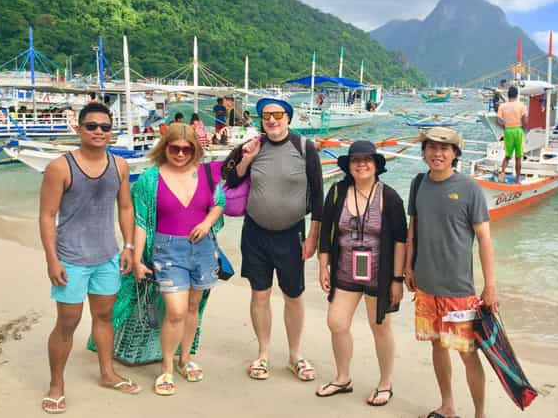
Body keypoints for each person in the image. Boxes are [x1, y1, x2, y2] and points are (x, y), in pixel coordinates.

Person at [39, 103, 140, 414]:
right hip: (71, 258)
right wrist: (52, 260)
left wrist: (129, 247)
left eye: (105, 127)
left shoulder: (119, 165)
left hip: (107, 256)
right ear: (79, 129)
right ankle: (57, 384)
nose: (99, 131)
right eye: (92, 126)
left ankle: (107, 374)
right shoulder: (60, 167)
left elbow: (125, 207)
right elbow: (47, 215)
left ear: (112, 131)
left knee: (104, 317)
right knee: (68, 322)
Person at [224, 97, 323, 382]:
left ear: (289, 118)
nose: (272, 120)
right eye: (266, 115)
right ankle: (263, 354)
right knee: (260, 293)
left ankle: (295, 355)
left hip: (292, 233)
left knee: (293, 295)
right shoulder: (253, 146)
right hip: (255, 232)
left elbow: (318, 196)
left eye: (278, 114)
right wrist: (248, 157)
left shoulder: (304, 147)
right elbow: (230, 180)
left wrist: (313, 237)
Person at [404, 126, 499, 418]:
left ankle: (479, 414)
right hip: (425, 285)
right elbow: (413, 228)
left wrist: (490, 286)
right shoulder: (418, 183)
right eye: (431, 147)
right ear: (424, 153)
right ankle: (447, 406)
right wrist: (408, 266)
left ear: (455, 154)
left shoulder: (469, 188)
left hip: (458, 289)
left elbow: (484, 238)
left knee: (467, 353)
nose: (437, 153)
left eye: (445, 149)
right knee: (437, 345)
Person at [131, 122, 225, 396]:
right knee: (175, 311)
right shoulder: (151, 178)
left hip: (203, 249)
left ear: (195, 149)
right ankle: (167, 368)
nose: (181, 153)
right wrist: (137, 259)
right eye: (175, 148)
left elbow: (219, 203)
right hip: (167, 251)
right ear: (165, 147)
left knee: (193, 308)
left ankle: (185, 358)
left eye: (187, 149)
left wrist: (207, 223)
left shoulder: (206, 175)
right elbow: (140, 221)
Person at [316, 141, 408, 406]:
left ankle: (385, 383)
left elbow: (401, 241)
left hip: (380, 275)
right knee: (336, 323)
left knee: (380, 326)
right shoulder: (338, 191)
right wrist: (323, 266)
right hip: (345, 272)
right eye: (356, 160)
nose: (362, 164)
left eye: (368, 160)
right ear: (349, 166)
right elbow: (326, 233)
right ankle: (343, 378)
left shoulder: (389, 196)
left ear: (376, 165)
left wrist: (397, 280)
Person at [496, 86, 528, 184]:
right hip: (518, 130)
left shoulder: (502, 106)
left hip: (508, 131)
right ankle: (517, 180)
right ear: (517, 95)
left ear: (508, 95)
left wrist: (504, 127)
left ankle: (502, 172)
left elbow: (498, 121)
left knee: (507, 156)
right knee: (518, 157)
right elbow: (524, 120)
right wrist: (524, 128)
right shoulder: (521, 105)